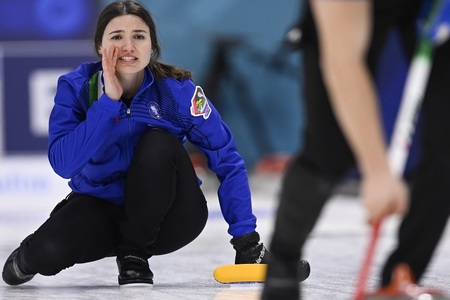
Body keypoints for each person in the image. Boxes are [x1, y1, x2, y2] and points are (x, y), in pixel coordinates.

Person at [1, 0, 279, 287]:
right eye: (116, 37)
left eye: (138, 36)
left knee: (159, 142)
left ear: (152, 46)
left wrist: (246, 240)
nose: (128, 46)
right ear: (100, 47)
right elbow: (64, 164)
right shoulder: (77, 88)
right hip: (102, 209)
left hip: (170, 218)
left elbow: (227, 160)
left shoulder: (178, 92)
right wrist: (107, 103)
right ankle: (30, 255)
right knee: (47, 252)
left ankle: (134, 256)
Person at [262, 0, 450, 299]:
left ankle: (402, 275)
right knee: (329, 150)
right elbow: (343, 62)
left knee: (444, 142)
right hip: (352, 22)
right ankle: (283, 265)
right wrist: (377, 171)